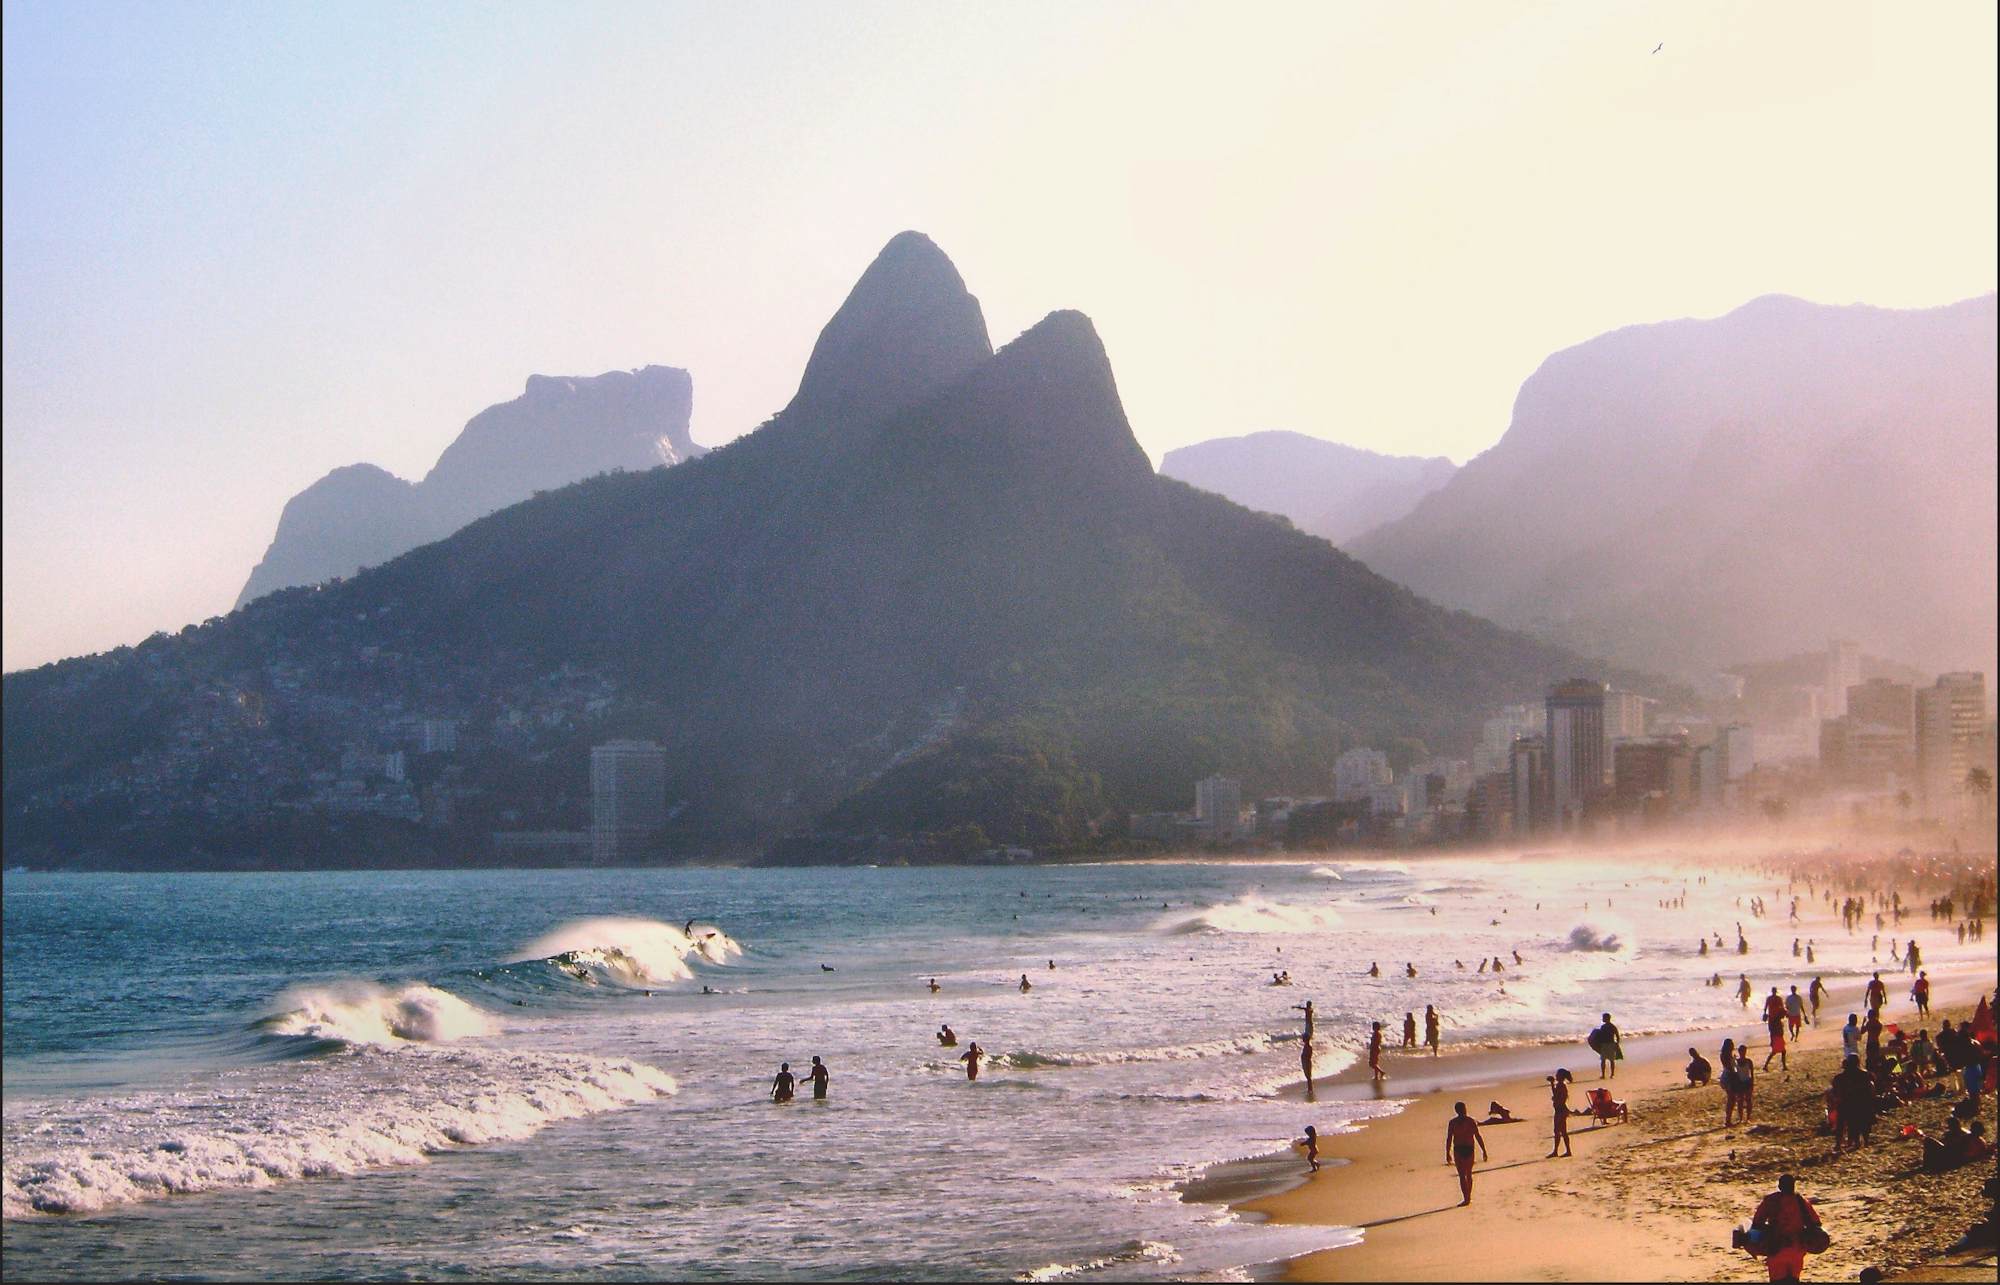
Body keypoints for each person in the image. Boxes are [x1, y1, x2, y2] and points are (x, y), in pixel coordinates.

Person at [1749, 1174, 1823, 1284]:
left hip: (1776, 1250)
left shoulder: (1771, 1201)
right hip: (1797, 1251)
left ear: (1779, 1187)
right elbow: (1816, 1224)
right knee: (1793, 1281)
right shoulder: (1801, 1201)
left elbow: (1757, 1224)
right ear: (1793, 1186)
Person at [1444, 1102, 1488, 1205]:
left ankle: (1467, 1198)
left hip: (1461, 1149)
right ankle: (1467, 1197)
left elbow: (1449, 1138)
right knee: (1467, 1175)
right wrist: (1483, 1150)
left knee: (1464, 1175)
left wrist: (1447, 1152)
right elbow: (1477, 1136)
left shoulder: (1455, 1122)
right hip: (1466, 1148)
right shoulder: (1469, 1121)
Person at [1829, 1053, 1873, 1154]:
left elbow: (1834, 1091)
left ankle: (1838, 1144)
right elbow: (1871, 1088)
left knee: (1841, 1124)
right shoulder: (1865, 1074)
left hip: (1844, 1104)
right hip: (1861, 1103)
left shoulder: (1839, 1078)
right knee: (1862, 1122)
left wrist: (1836, 1100)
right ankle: (1864, 1141)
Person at [1546, 1069, 1573, 1158]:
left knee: (1561, 1131)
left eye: (1557, 1075)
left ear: (1561, 1076)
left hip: (1560, 1110)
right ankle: (1558, 1151)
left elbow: (1560, 1098)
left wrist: (1556, 1100)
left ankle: (1565, 1151)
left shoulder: (1562, 1085)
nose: (1556, 1076)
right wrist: (1552, 1084)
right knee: (1559, 1131)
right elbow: (1556, 1094)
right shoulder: (1560, 1085)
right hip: (1560, 1110)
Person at [1590, 1013, 1623, 1079]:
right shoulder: (1612, 1026)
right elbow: (1617, 1036)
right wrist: (1617, 1044)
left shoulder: (1604, 1027)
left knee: (1604, 1060)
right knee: (1610, 1060)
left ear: (1607, 1018)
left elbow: (1600, 1036)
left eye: (1603, 1018)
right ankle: (1611, 1074)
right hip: (1609, 1044)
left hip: (1606, 1045)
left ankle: (1605, 1075)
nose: (1602, 1019)